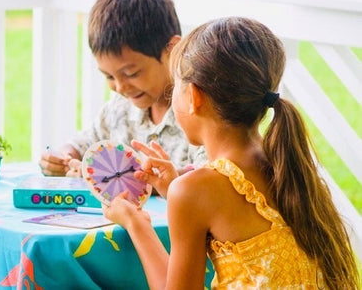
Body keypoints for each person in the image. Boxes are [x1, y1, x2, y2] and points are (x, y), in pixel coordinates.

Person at [103, 17, 360, 289]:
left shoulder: (193, 191)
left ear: (194, 97)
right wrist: (174, 188)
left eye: (174, 86)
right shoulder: (287, 163)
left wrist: (136, 223)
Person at [39, 0, 205, 177]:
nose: (120, 87)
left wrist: (142, 179)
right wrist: (62, 157)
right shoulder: (119, 110)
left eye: (131, 74)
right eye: (109, 76)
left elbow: (209, 176)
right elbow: (82, 144)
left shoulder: (198, 113)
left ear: (172, 49)